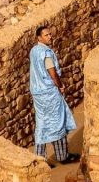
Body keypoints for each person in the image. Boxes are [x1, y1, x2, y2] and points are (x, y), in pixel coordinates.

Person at [29, 25, 79, 167]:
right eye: (46, 35)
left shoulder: (34, 51)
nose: (50, 37)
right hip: (49, 93)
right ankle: (62, 155)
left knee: (42, 123)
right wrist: (60, 85)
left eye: (50, 34)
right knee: (58, 122)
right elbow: (52, 73)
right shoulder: (47, 53)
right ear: (39, 38)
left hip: (38, 93)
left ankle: (39, 160)